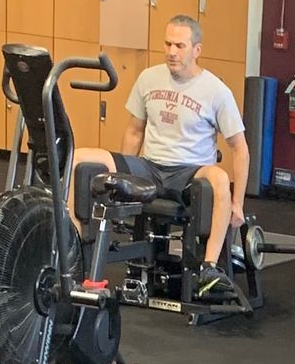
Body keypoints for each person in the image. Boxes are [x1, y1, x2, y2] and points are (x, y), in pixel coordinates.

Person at [76, 16, 249, 310]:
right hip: (150, 167)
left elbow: (240, 149)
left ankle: (209, 268)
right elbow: (134, 131)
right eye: (168, 44)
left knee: (219, 178)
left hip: (189, 172)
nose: (172, 51)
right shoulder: (148, 78)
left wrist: (238, 204)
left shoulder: (216, 91)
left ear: (197, 49)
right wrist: (121, 181)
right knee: (79, 156)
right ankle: (74, 244)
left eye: (180, 45)